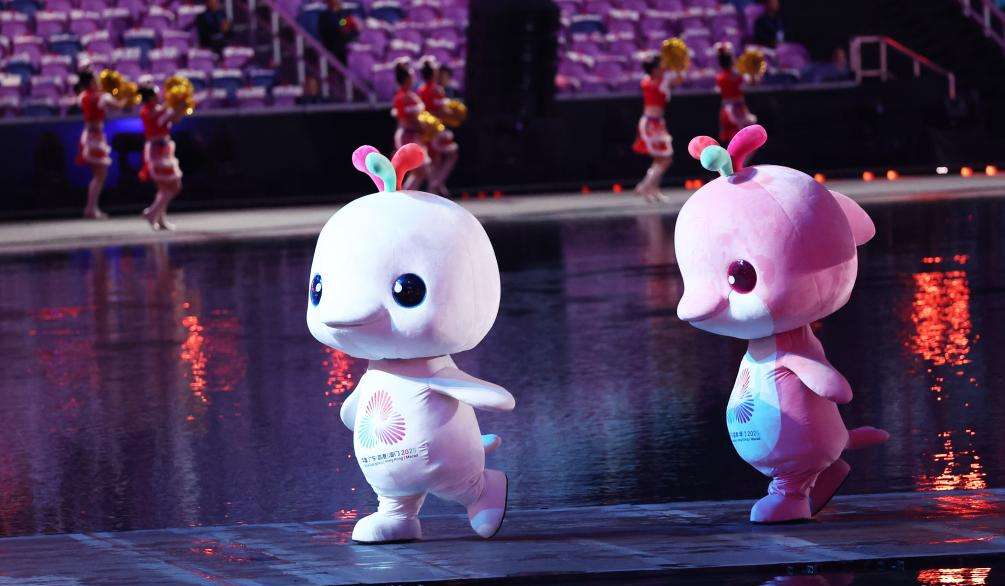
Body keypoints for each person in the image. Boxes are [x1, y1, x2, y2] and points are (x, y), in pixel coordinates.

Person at [75, 70, 126, 219]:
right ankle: (91, 208)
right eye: (96, 80)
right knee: (99, 175)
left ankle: (91, 208)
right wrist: (123, 93)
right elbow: (119, 106)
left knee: (98, 175)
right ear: (91, 82)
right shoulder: (102, 97)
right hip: (95, 137)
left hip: (88, 135)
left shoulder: (82, 96)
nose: (98, 82)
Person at [138, 83, 185, 231]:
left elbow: (175, 119)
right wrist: (173, 103)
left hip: (165, 149)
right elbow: (157, 116)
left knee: (165, 188)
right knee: (173, 186)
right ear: (151, 97)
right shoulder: (146, 111)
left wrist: (181, 107)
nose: (159, 96)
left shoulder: (159, 109)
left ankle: (160, 219)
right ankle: (152, 212)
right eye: (156, 94)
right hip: (156, 151)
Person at [631, 53, 673, 203]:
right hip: (652, 124)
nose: (663, 68)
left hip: (654, 123)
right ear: (654, 69)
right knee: (666, 158)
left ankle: (653, 190)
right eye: (660, 66)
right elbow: (675, 79)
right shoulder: (657, 82)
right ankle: (644, 186)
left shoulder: (647, 81)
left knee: (659, 159)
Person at [417, 57, 458, 197]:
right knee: (453, 154)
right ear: (433, 73)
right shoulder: (436, 90)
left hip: (425, 132)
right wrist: (453, 111)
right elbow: (442, 112)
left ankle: (436, 190)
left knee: (436, 160)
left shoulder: (421, 90)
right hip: (436, 130)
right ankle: (435, 184)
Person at [391, 60, 430, 190]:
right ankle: (403, 196)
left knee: (419, 171)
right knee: (419, 170)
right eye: (412, 76)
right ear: (407, 78)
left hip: (411, 134)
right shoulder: (404, 97)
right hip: (408, 135)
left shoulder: (407, 95)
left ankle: (406, 195)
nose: (413, 79)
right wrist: (424, 129)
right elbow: (411, 120)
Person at [715, 43, 757, 144]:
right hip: (737, 109)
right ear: (731, 60)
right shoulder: (737, 76)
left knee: (733, 141)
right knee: (745, 140)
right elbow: (752, 82)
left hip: (726, 109)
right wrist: (753, 72)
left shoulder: (719, 77)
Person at [317, 0, 359, 65]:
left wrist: (348, 22)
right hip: (334, 49)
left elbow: (352, 28)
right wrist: (345, 21)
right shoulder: (325, 15)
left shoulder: (345, 13)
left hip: (348, 46)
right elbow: (337, 25)